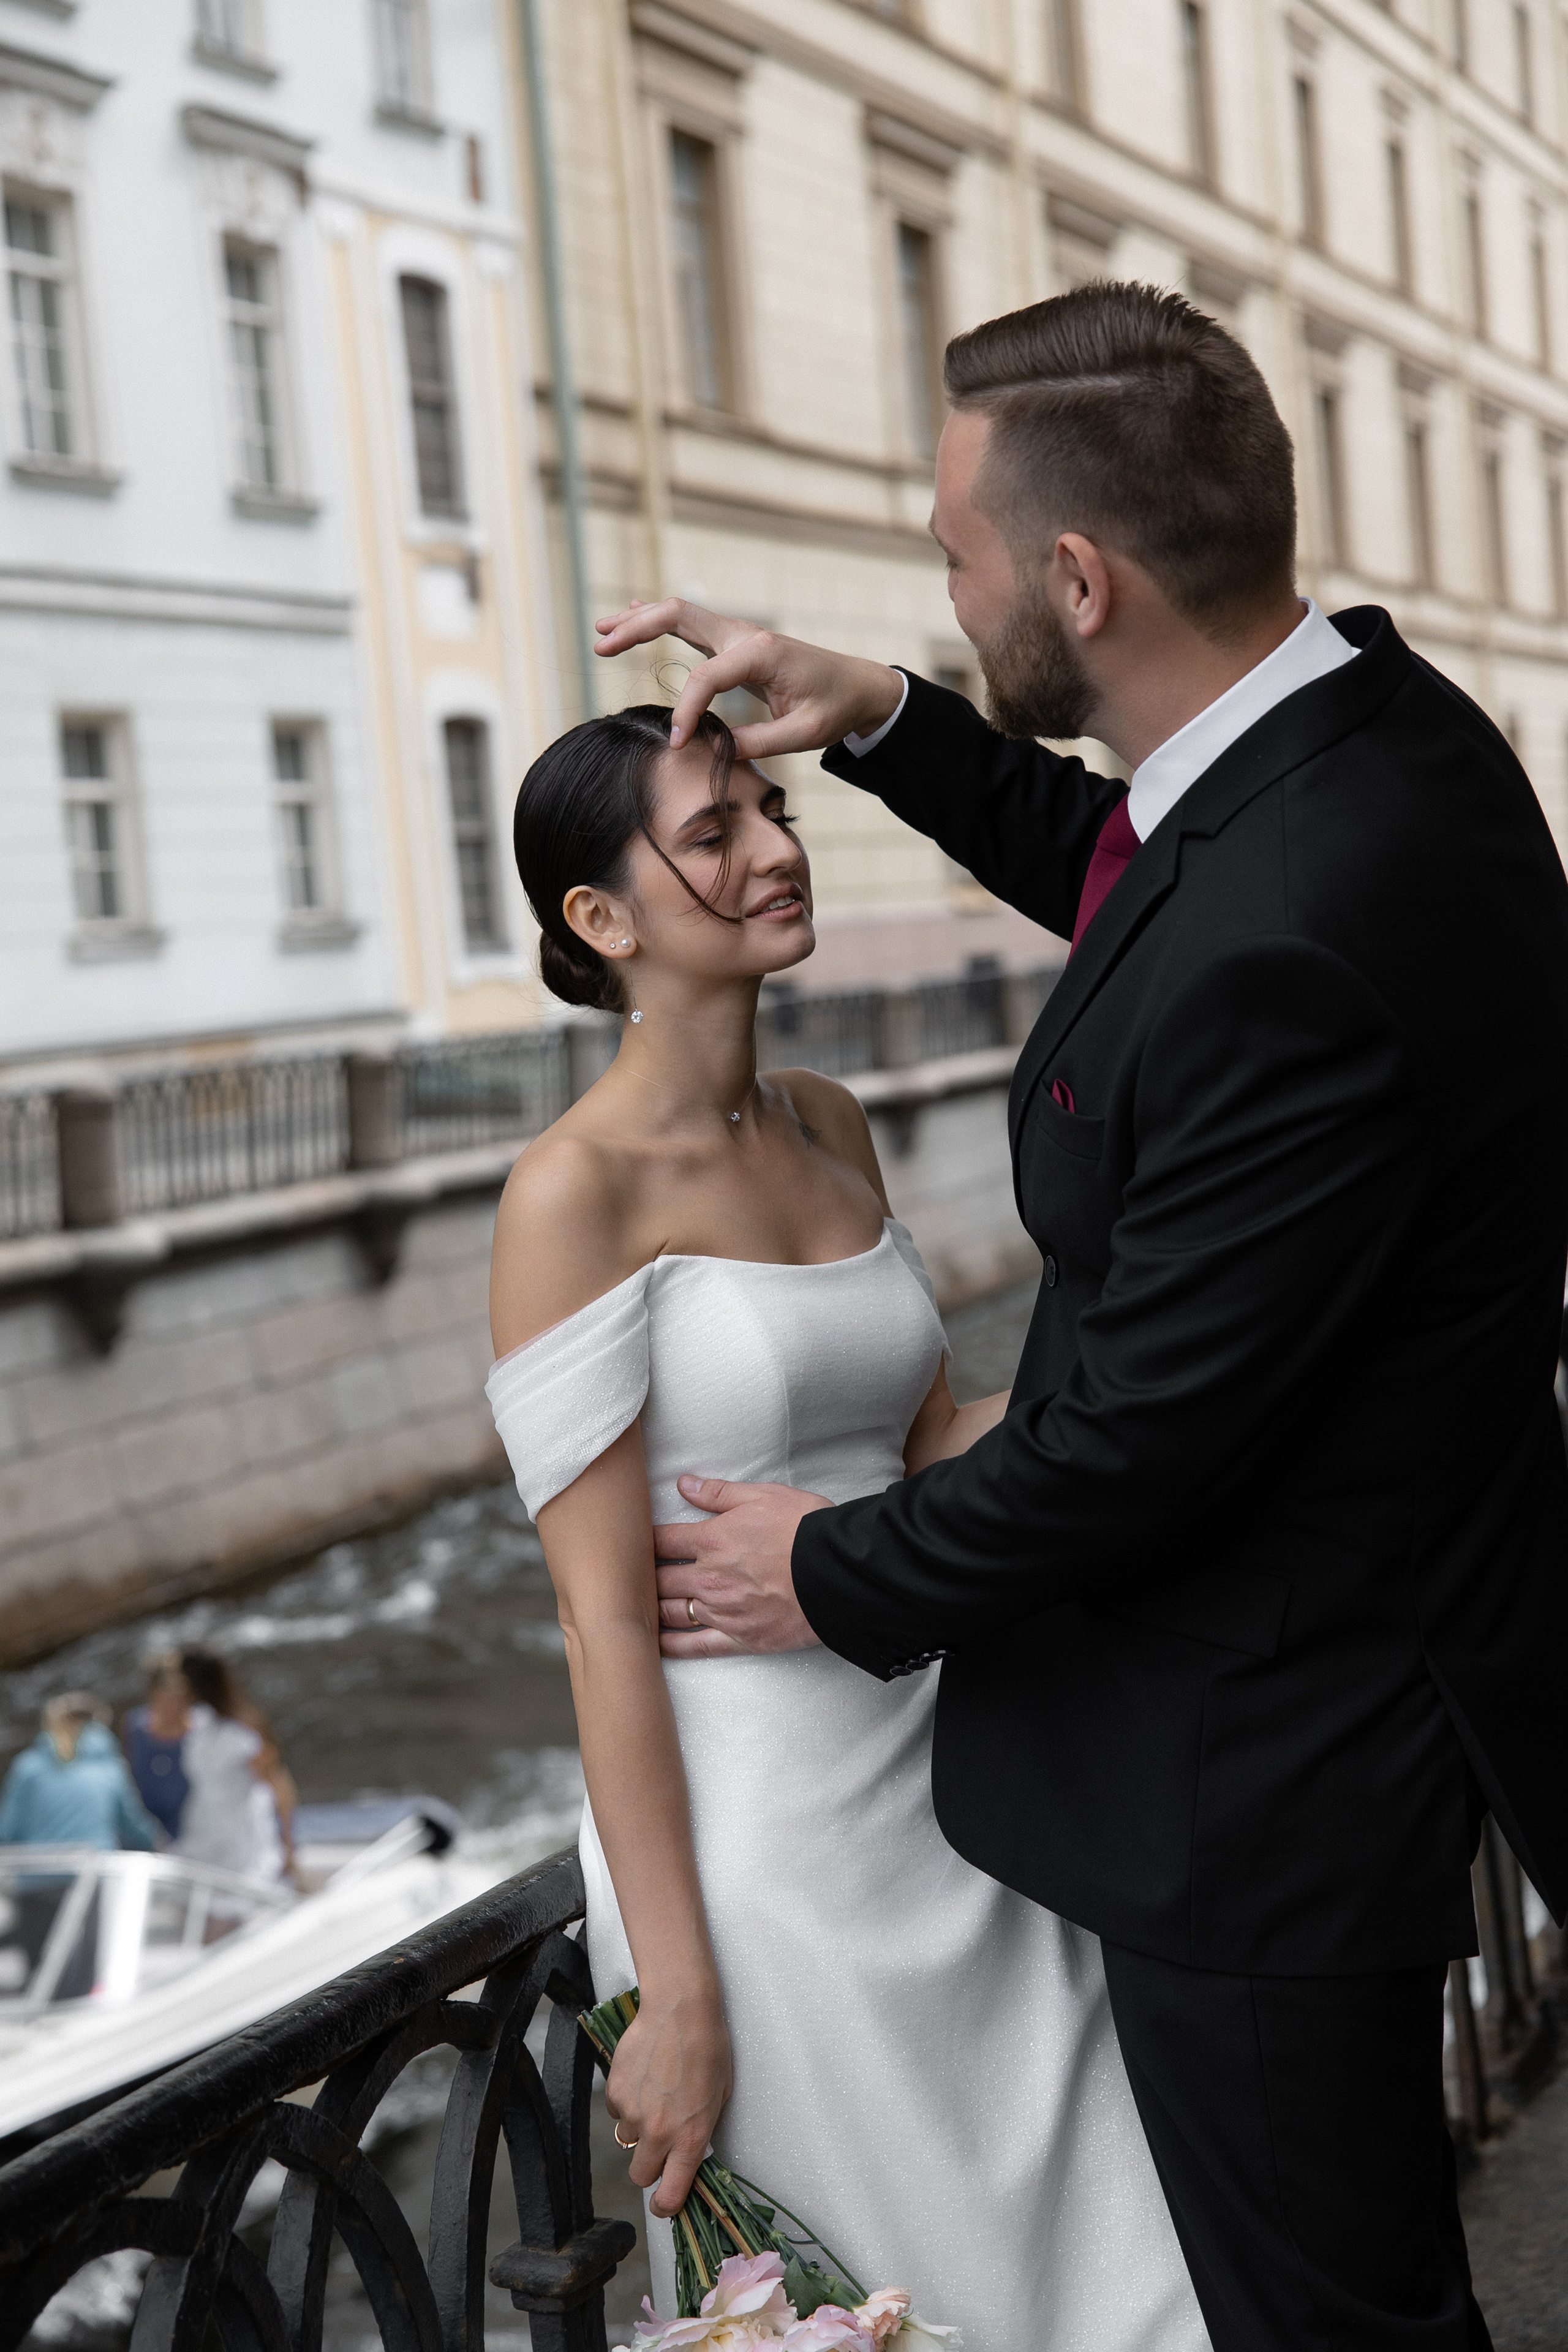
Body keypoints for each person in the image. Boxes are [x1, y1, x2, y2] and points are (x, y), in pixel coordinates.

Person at [594, 281, 1568, 2352]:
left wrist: (826, 1568)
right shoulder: (1384, 745)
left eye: (954, 560)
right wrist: (883, 715)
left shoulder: (1292, 927)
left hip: (1273, 1779)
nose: (946, 596)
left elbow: (1132, 1443)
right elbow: (1147, 878)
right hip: (1386, 1670)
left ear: (1077, 578)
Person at [486, 704, 1207, 2346]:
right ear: (601, 917)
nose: (775, 850)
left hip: (963, 1764)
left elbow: (928, 1438)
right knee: (890, 2286)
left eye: (775, 810)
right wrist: (673, 1985)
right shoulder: (569, 1193)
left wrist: (1180, 1344)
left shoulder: (827, 1118)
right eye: (714, 832)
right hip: (766, 1847)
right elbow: (601, 1620)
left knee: (1125, 2270)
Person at [174, 1648, 296, 1885]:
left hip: (243, 1841)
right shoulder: (196, 1722)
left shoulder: (243, 1730)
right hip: (203, 1831)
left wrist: (289, 1846)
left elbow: (279, 1785)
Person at [0, 1695, 159, 1852]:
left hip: (38, 1865)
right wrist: (159, 1841)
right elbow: (133, 1825)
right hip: (95, 1864)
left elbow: (8, 1830)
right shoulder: (111, 1768)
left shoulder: (26, 1767)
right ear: (99, 1725)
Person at [121, 1653, 191, 1843]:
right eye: (164, 1700)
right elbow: (130, 1779)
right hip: (151, 1833)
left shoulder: (200, 1731)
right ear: (152, 1696)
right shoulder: (134, 1725)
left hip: (193, 1831)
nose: (172, 1708)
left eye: (177, 1700)